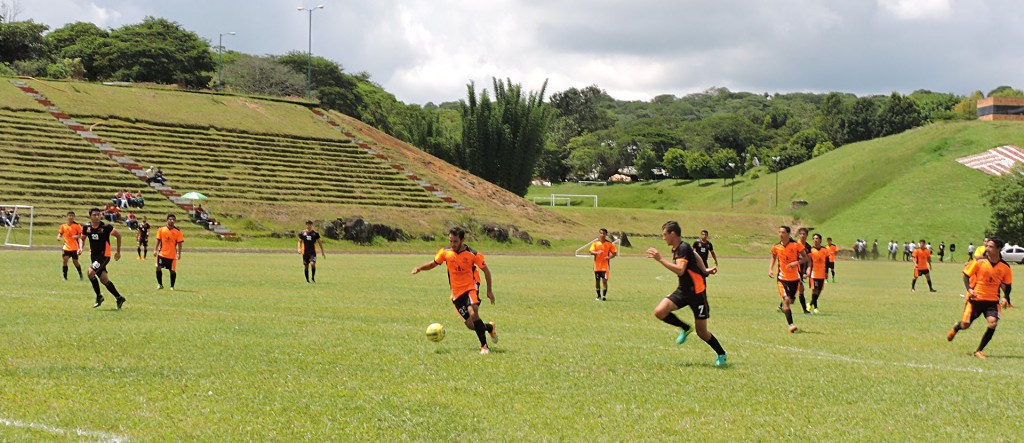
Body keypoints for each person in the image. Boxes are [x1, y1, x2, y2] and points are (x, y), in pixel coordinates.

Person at [648, 221, 727, 366]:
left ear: (673, 234)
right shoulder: (680, 247)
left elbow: (680, 270)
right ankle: (685, 327)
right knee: (660, 311)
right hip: (683, 290)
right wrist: (704, 270)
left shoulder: (682, 248)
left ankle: (721, 354)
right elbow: (695, 254)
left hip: (697, 293)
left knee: (702, 332)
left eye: (665, 235)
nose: (663, 238)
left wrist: (660, 259)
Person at [411, 227, 498, 355]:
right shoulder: (445, 252)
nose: (452, 244)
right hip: (456, 293)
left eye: (455, 241)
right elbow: (433, 263)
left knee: (473, 313)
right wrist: (419, 268)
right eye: (451, 241)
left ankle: (484, 347)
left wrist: (489, 290)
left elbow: (486, 271)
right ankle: (489, 327)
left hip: (470, 287)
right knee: (470, 325)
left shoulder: (473, 254)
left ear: (462, 240)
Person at [947, 237, 1013, 360]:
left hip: (992, 302)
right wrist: (969, 289)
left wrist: (1006, 298)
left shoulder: (1005, 267)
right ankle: (957, 327)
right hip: (975, 300)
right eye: (987, 246)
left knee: (993, 323)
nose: (987, 248)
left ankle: (979, 351)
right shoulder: (979, 261)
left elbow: (1008, 285)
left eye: (990, 246)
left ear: (998, 249)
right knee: (965, 324)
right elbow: (966, 275)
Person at [82, 208, 126, 309]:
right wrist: (80, 247)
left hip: (104, 255)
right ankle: (119, 298)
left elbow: (118, 236)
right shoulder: (86, 227)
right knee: (104, 280)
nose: (97, 217)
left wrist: (118, 252)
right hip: (94, 256)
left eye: (98, 215)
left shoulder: (106, 227)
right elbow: (82, 238)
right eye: (94, 215)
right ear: (90, 216)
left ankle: (99, 296)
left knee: (90, 272)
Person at [769, 225, 808, 333]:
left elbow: (805, 258)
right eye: (779, 232)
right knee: (786, 300)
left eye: (783, 232)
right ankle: (791, 324)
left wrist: (796, 262)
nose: (781, 234)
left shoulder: (796, 245)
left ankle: (784, 307)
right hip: (782, 278)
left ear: (788, 234)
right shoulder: (776, 247)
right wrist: (770, 269)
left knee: (791, 300)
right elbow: (773, 257)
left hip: (795, 278)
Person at [155, 214, 184, 290]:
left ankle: (172, 286)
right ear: (167, 220)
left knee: (172, 271)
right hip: (162, 254)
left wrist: (179, 253)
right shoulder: (161, 229)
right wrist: (155, 250)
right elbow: (158, 240)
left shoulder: (177, 231)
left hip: (172, 255)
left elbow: (180, 243)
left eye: (173, 220)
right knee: (158, 267)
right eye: (170, 219)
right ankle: (160, 284)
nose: (172, 221)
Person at [805, 233, 833, 313]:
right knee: (815, 290)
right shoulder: (811, 250)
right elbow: (808, 261)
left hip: (822, 273)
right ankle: (815, 307)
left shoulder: (825, 250)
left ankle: (810, 304)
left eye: (817, 238)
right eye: (814, 238)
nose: (815, 240)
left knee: (819, 290)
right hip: (814, 273)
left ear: (820, 240)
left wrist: (827, 272)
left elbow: (827, 261)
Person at [589, 228, 618, 301]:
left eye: (604, 233)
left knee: (604, 281)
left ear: (606, 234)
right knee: (597, 281)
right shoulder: (595, 243)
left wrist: (609, 257)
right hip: (597, 266)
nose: (602, 235)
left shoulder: (609, 244)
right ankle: (598, 296)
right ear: (599, 234)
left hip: (605, 267)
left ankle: (604, 296)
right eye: (601, 233)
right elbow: (591, 251)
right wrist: (597, 252)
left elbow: (614, 253)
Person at [57, 211, 84, 280]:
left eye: (72, 216)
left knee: (75, 262)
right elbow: (60, 233)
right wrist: (59, 237)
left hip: (75, 247)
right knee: (65, 260)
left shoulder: (77, 226)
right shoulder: (63, 226)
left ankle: (80, 274)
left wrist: (77, 236)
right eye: (70, 215)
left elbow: (81, 235)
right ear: (67, 217)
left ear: (74, 217)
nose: (71, 217)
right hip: (66, 246)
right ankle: (65, 277)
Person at [794, 227, 812, 313]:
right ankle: (805, 310)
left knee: (795, 289)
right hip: (794, 270)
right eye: (800, 234)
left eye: (804, 234)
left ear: (807, 235)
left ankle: (782, 305)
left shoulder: (808, 246)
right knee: (800, 289)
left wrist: (808, 270)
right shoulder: (794, 244)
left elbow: (809, 260)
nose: (802, 235)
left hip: (801, 271)